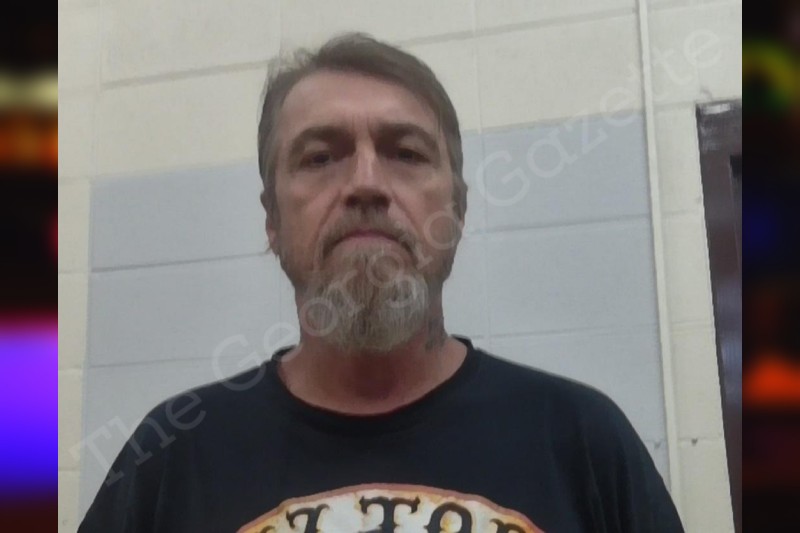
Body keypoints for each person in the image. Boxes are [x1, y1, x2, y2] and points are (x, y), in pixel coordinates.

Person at [79, 33, 684, 532]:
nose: (366, 183)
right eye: (321, 157)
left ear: (458, 210)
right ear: (272, 220)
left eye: (406, 153)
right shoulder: (170, 460)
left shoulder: (583, 443)